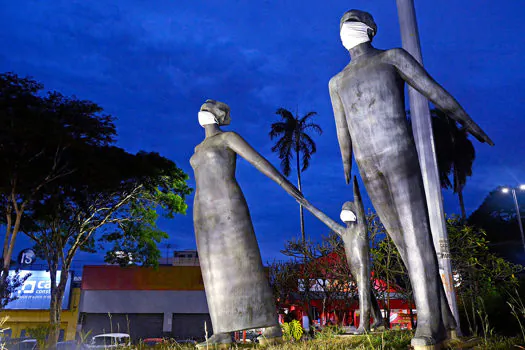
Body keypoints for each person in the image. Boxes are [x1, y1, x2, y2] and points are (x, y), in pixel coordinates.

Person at [328, 9, 494, 347]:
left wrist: (468, 122)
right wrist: (347, 162)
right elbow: (342, 129)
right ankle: (445, 321)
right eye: (342, 27)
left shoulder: (392, 58)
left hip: (397, 155)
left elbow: (434, 91)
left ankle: (429, 325)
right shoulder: (337, 81)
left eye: (352, 25)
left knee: (417, 236)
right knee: (402, 241)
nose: (346, 31)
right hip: (368, 164)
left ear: (370, 30)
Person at [190, 100, 303, 348]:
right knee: (213, 272)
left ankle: (272, 328)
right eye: (200, 110)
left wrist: (285, 184)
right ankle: (222, 332)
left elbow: (257, 160)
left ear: (217, 115)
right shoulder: (198, 148)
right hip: (202, 210)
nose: (202, 113)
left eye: (206, 109)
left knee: (246, 260)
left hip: (228, 203)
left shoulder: (228, 138)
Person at [300, 176, 383, 334]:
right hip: (354, 268)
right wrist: (309, 206)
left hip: (362, 266)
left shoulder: (361, 229)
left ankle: (364, 325)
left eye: (347, 211)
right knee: (368, 292)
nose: (344, 214)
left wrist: (356, 193)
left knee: (363, 292)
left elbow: (360, 208)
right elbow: (325, 219)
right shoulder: (344, 232)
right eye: (342, 211)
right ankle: (378, 319)